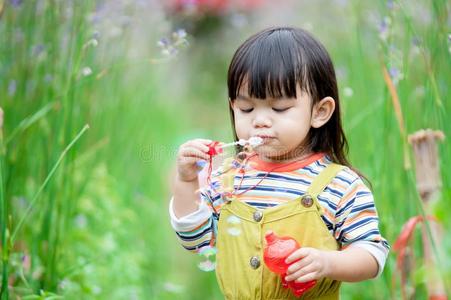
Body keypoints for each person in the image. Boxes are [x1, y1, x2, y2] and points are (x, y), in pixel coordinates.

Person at [169, 27, 389, 299]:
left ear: (320, 112)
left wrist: (327, 262)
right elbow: (196, 240)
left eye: (280, 108)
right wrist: (186, 181)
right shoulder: (228, 179)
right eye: (246, 109)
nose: (260, 120)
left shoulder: (340, 185)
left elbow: (372, 254)